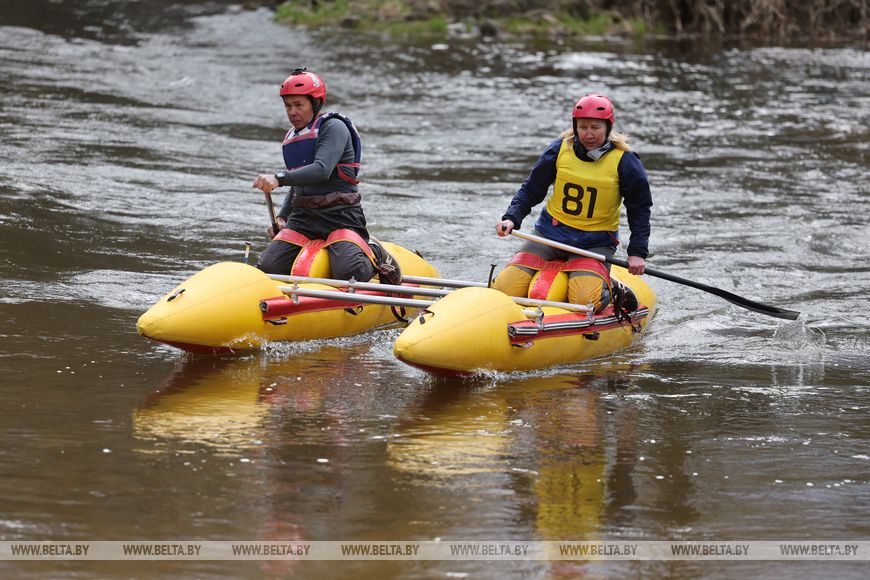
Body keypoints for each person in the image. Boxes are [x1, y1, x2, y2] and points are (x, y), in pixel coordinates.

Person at [493, 93, 651, 312]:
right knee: (504, 288)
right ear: (575, 126)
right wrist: (511, 217)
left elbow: (639, 210)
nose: (588, 134)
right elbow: (531, 189)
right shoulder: (558, 150)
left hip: (594, 243)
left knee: (584, 302)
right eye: (583, 126)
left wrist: (637, 252)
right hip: (549, 235)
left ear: (608, 127)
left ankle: (614, 288)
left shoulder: (626, 161)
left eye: (595, 127)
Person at [252, 68, 401, 285]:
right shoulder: (293, 137)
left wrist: (278, 177)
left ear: (315, 103)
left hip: (340, 216)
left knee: (350, 273)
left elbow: (322, 170)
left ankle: (375, 252)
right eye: (288, 106)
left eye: (299, 105)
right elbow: (298, 183)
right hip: (304, 219)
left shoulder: (334, 127)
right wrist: (283, 217)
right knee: (269, 266)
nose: (292, 112)